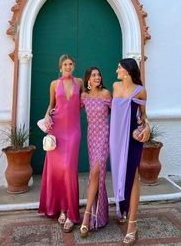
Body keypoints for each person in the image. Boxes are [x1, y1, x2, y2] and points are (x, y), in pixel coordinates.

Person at [38, 54, 83, 233]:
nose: (68, 66)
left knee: (69, 170)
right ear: (60, 67)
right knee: (57, 170)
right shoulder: (54, 84)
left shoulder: (79, 82)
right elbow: (51, 105)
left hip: (73, 132)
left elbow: (86, 100)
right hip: (56, 130)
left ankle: (72, 213)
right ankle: (62, 209)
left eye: (70, 64)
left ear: (74, 66)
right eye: (65, 64)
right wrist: (47, 115)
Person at [109, 58, 150, 246]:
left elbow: (143, 116)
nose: (116, 69)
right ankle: (123, 209)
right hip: (115, 140)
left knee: (132, 176)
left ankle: (132, 224)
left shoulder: (140, 91)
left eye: (119, 67)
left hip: (132, 140)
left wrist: (146, 128)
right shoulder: (115, 87)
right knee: (119, 174)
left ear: (127, 70)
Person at [79, 67, 112, 237]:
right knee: (96, 177)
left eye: (99, 74)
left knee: (94, 173)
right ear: (88, 80)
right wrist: (50, 116)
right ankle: (101, 214)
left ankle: (86, 217)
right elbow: (68, 110)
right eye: (93, 75)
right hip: (91, 138)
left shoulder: (106, 94)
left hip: (104, 137)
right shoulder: (84, 96)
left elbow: (118, 113)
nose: (97, 77)